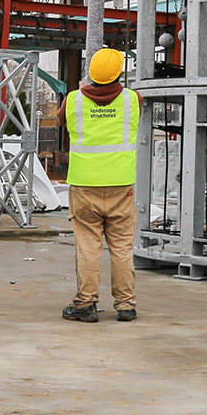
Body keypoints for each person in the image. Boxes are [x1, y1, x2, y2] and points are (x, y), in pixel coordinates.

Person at [62, 47, 141, 324]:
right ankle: (126, 306)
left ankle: (85, 304)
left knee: (88, 247)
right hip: (121, 186)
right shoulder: (133, 99)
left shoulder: (73, 101)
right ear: (120, 72)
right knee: (121, 247)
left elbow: (63, 122)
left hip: (84, 186)